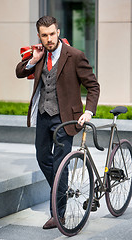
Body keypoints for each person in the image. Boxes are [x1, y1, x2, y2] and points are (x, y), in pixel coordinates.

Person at [16, 16, 100, 230]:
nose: (49, 39)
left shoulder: (75, 56)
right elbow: (19, 72)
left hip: (67, 119)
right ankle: (61, 189)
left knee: (60, 164)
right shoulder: (40, 54)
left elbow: (93, 86)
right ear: (39, 36)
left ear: (58, 31)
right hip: (44, 116)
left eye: (52, 34)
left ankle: (58, 214)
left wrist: (89, 111)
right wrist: (34, 59)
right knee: (43, 158)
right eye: (44, 35)